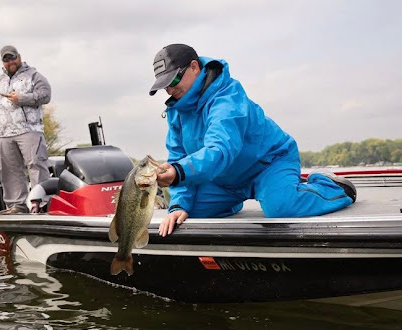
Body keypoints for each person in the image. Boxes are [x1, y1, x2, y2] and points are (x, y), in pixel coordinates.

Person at [149, 43, 357, 237]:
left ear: (194, 67)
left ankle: (330, 186)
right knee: (188, 213)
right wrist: (178, 205)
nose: (171, 90)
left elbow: (220, 148)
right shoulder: (176, 111)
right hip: (226, 179)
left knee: (280, 208)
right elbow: (178, 157)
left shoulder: (227, 95)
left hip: (269, 163)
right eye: (165, 86)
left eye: (174, 80)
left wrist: (178, 172)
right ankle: (235, 201)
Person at [0, 45, 51, 214]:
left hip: (30, 130)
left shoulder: (34, 75)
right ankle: (17, 206)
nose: (10, 61)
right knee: (9, 170)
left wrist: (22, 98)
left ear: (19, 57)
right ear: (2, 62)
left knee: (36, 165)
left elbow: (46, 95)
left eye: (12, 57)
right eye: (6, 59)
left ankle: (41, 204)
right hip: (5, 134)